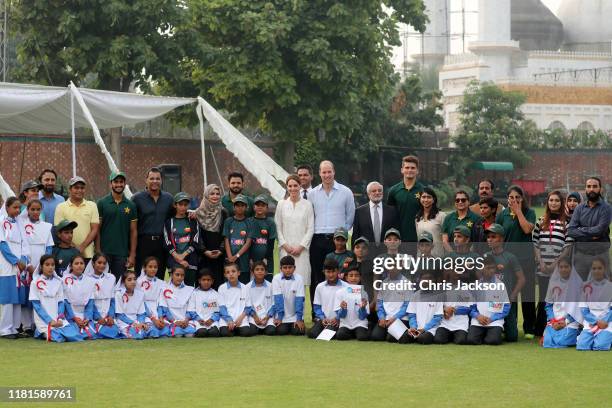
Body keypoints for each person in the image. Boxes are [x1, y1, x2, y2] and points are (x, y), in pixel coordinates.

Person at [308, 160, 355, 316]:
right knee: (317, 276)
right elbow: (310, 216)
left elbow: (350, 216)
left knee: (340, 276)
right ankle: (317, 314)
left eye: (329, 172)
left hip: (337, 240)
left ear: (334, 172)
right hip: (317, 238)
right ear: (319, 173)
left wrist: (341, 234)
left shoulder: (346, 192)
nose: (327, 175)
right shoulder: (312, 194)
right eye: (324, 172)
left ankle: (340, 312)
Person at [496, 185, 537, 339]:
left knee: (527, 295)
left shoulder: (530, 212)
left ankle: (529, 328)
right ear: (507, 198)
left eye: (517, 197)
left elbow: (527, 229)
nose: (514, 200)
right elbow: (498, 236)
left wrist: (518, 211)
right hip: (507, 261)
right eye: (511, 197)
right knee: (509, 295)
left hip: (525, 260)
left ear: (522, 198)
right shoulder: (503, 215)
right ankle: (509, 326)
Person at [532, 190, 572, 337]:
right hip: (542, 267)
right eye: (551, 200)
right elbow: (535, 243)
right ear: (547, 203)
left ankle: (557, 326)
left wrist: (556, 263)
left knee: (557, 298)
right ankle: (540, 328)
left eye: (557, 201)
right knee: (543, 297)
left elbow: (567, 246)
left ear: (561, 203)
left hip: (558, 268)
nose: (553, 203)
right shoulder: (540, 221)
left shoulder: (566, 223)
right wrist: (541, 262)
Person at [485, 224, 526, 342]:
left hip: (506, 300)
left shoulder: (510, 257)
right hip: (489, 300)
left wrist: (513, 296)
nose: (490, 239)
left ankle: (504, 328)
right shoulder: (485, 256)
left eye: (493, 237)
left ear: (501, 239)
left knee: (512, 337)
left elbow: (522, 279)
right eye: (488, 237)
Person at [132, 167, 174, 280]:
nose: (155, 181)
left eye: (157, 178)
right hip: (143, 243)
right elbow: (131, 225)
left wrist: (192, 213)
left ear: (161, 181)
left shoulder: (169, 199)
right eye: (152, 178)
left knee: (159, 276)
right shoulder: (137, 199)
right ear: (146, 180)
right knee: (141, 276)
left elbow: (177, 215)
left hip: (162, 243)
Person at [29, 255, 82, 342]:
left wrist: (60, 319)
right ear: (41, 267)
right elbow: (37, 306)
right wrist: (50, 321)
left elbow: (61, 302)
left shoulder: (58, 282)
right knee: (58, 338)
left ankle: (53, 331)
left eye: (52, 265)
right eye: (47, 265)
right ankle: (41, 331)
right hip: (44, 320)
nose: (50, 267)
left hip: (58, 319)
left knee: (75, 335)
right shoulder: (35, 283)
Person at [567, 177, 611, 281]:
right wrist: (591, 232)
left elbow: (600, 230)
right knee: (579, 289)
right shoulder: (579, 208)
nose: (591, 189)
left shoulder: (607, 208)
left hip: (600, 255)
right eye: (589, 186)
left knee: (602, 290)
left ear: (600, 189)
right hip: (581, 256)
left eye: (595, 186)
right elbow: (571, 231)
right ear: (585, 189)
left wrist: (581, 230)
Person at [96, 171, 138, 281]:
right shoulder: (102, 203)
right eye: (116, 182)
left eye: (121, 182)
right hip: (104, 252)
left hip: (122, 253)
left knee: (119, 284)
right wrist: (98, 250)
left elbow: (133, 231)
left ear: (125, 184)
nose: (119, 184)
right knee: (101, 283)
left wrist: (132, 254)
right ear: (110, 184)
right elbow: (97, 229)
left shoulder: (131, 205)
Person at [275, 174, 314, 288]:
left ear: (300, 186)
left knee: (300, 284)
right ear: (286, 187)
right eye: (290, 186)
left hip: (301, 251)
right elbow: (278, 226)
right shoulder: (281, 204)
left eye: (295, 185)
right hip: (285, 250)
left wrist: (301, 247)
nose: (292, 188)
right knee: (285, 284)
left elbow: (310, 228)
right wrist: (284, 245)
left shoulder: (307, 205)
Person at [22, 199, 54, 335]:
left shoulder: (47, 226)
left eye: (38, 209)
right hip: (27, 263)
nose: (35, 212)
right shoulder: (21, 225)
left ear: (41, 210)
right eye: (32, 209)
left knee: (39, 293)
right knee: (26, 294)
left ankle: (38, 323)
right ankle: (26, 325)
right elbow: (21, 246)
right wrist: (28, 265)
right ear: (27, 210)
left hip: (41, 263)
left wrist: (43, 266)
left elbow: (48, 247)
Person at [0, 197, 29, 339]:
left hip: (20, 265)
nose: (17, 211)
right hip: (7, 265)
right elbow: (2, 244)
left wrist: (23, 260)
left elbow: (25, 243)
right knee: (8, 297)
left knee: (18, 297)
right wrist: (15, 261)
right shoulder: (1, 221)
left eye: (19, 208)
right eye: (14, 208)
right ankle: (5, 329)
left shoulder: (19, 222)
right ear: (7, 207)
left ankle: (15, 328)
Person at [466, 254, 510, 346]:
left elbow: (506, 307)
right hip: (478, 320)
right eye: (488, 268)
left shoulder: (500, 285)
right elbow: (471, 306)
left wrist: (492, 318)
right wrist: (477, 316)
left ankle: (492, 334)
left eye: (493, 268)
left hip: (495, 322)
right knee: (471, 340)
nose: (491, 271)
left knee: (493, 341)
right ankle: (486, 334)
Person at [54, 176, 99, 262]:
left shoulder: (92, 205)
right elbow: (58, 230)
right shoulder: (61, 207)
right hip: (67, 254)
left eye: (82, 188)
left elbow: (95, 229)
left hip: (88, 254)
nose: (79, 190)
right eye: (76, 188)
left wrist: (82, 247)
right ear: (70, 189)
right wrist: (75, 248)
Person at [542, 257, 583, 348]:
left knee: (562, 341)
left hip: (571, 320)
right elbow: (548, 306)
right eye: (561, 267)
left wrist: (565, 321)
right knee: (548, 341)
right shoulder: (553, 283)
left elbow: (579, 308)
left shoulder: (578, 284)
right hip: (555, 321)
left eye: (566, 267)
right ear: (558, 268)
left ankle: (578, 333)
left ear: (571, 268)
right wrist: (553, 320)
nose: (563, 269)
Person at [194, 184, 228, 289]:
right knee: (203, 285)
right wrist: (204, 251)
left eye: (218, 194)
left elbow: (225, 234)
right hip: (203, 257)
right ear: (206, 195)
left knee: (218, 285)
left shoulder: (223, 212)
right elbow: (196, 235)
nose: (215, 196)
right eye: (212, 193)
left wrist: (221, 250)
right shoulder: (198, 213)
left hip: (219, 257)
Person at [163, 192, 201, 287]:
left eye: (185, 205)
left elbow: (196, 240)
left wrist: (184, 255)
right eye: (180, 204)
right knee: (174, 290)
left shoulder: (192, 220)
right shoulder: (169, 222)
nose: (183, 207)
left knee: (189, 290)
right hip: (174, 261)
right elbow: (167, 242)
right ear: (175, 205)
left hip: (190, 261)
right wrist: (178, 258)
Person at [576, 258, 612, 351]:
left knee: (600, 346)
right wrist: (596, 321)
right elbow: (584, 310)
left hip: (607, 322)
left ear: (604, 269)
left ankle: (605, 338)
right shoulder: (585, 286)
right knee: (582, 346)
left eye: (600, 268)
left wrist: (604, 321)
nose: (597, 271)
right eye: (594, 268)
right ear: (590, 270)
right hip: (591, 322)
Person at [387, 155, 424, 243]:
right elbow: (389, 215)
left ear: (417, 171)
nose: (410, 170)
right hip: (398, 238)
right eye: (407, 167)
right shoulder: (393, 190)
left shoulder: (423, 191)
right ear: (402, 170)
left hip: (418, 238)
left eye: (413, 168)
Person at [370, 263, 410, 343]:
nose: (392, 268)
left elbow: (407, 306)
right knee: (376, 337)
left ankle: (406, 333)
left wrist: (394, 318)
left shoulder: (406, 283)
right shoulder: (384, 283)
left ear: (400, 267)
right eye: (390, 266)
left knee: (391, 338)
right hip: (386, 318)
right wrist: (381, 317)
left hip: (400, 318)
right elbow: (379, 303)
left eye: (394, 266)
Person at [114, 270, 160, 340]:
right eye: (129, 280)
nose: (133, 282)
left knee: (154, 331)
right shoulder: (119, 294)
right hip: (124, 321)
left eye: (134, 279)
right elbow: (120, 315)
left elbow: (141, 313)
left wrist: (141, 323)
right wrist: (135, 324)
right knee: (137, 333)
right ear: (123, 282)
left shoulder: (140, 294)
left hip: (137, 320)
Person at [85, 253, 122, 339]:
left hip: (107, 314)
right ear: (93, 264)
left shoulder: (111, 278)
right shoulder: (86, 279)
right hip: (94, 314)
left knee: (114, 331)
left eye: (104, 263)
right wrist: (98, 317)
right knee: (103, 331)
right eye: (99, 262)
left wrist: (111, 316)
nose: (102, 265)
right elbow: (89, 302)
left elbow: (112, 300)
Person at [308, 258, 347, 339]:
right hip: (324, 320)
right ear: (324, 272)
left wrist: (337, 318)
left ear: (338, 271)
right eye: (328, 272)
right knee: (312, 334)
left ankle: (338, 330)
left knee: (327, 336)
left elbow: (347, 307)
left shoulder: (346, 286)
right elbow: (317, 306)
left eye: (333, 271)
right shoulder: (320, 286)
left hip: (338, 320)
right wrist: (322, 318)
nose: (331, 275)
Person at [352, 181, 399, 246]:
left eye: (379, 191)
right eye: (374, 191)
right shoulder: (359, 212)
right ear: (368, 194)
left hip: (387, 252)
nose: (377, 193)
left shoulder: (392, 211)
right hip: (366, 252)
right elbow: (355, 235)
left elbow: (397, 233)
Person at [434, 269, 473, 345]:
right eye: (453, 271)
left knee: (461, 341)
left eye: (458, 272)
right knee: (438, 340)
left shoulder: (466, 288)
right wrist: (444, 309)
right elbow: (436, 306)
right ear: (449, 272)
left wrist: (454, 310)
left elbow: (469, 308)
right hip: (445, 322)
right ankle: (450, 335)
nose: (456, 274)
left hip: (460, 323)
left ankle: (454, 336)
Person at [62, 254, 96, 340]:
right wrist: (74, 318)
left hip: (84, 314)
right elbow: (65, 301)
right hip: (71, 315)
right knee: (73, 333)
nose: (79, 266)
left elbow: (90, 302)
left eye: (81, 263)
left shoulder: (90, 281)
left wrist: (87, 318)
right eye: (76, 263)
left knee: (91, 333)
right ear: (71, 266)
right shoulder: (64, 280)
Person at [222, 194, 253, 284]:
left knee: (243, 288)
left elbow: (248, 242)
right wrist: (230, 257)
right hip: (230, 260)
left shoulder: (249, 222)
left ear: (246, 207)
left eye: (242, 205)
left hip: (243, 261)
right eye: (237, 205)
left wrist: (236, 256)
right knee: (229, 287)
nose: (240, 208)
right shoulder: (228, 221)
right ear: (234, 207)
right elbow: (226, 239)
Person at [158, 265, 196, 337]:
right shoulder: (164, 288)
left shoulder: (190, 290)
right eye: (177, 275)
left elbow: (190, 309)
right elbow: (164, 308)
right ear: (172, 275)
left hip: (185, 321)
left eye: (182, 275)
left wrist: (186, 320)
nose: (180, 277)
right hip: (171, 321)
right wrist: (175, 321)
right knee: (178, 335)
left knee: (190, 335)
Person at [406, 271, 443, 345]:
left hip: (430, 329)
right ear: (420, 280)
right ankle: (415, 336)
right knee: (403, 338)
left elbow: (437, 317)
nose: (426, 280)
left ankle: (417, 337)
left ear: (433, 280)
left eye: (429, 278)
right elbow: (411, 315)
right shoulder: (415, 295)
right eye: (424, 278)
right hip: (417, 329)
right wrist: (413, 327)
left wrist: (424, 329)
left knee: (423, 339)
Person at [334, 264, 369, 341]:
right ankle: (352, 333)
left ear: (360, 278)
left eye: (356, 276)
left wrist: (363, 308)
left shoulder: (364, 293)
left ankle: (357, 332)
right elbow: (341, 316)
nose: (354, 278)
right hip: (345, 324)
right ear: (346, 277)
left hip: (360, 323)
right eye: (351, 275)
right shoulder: (340, 292)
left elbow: (362, 317)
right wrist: (343, 309)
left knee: (362, 337)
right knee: (340, 336)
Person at [272, 256, 305, 336]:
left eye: (290, 267)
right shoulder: (276, 278)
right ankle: (287, 325)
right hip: (283, 316)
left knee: (298, 332)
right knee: (281, 331)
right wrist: (279, 318)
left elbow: (299, 300)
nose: (287, 270)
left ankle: (297, 324)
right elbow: (278, 299)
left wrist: (299, 319)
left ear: (294, 268)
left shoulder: (299, 278)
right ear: (281, 268)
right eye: (285, 268)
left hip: (295, 315)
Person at [218, 262, 254, 337]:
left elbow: (248, 307)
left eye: (233, 271)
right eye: (228, 272)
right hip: (226, 319)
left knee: (246, 333)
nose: (231, 274)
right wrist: (229, 320)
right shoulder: (222, 288)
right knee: (225, 333)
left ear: (238, 273)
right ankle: (233, 329)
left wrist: (241, 318)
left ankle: (236, 329)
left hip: (241, 318)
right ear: (225, 275)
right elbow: (222, 307)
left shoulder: (245, 288)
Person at [136, 256, 168, 337]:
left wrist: (160, 317)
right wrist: (153, 319)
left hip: (157, 311)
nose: (153, 269)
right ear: (144, 268)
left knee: (166, 330)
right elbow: (140, 302)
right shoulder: (138, 282)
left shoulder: (161, 283)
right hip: (143, 311)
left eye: (155, 267)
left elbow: (161, 302)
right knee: (153, 331)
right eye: (150, 267)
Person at [248, 195, 276, 280]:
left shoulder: (270, 223)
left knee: (267, 286)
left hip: (266, 260)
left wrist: (265, 258)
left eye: (263, 205)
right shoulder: (249, 221)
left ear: (267, 208)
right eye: (257, 205)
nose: (260, 207)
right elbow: (247, 243)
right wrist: (250, 259)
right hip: (251, 261)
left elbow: (271, 243)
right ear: (254, 207)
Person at [188, 269, 221, 338]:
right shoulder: (194, 294)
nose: (206, 282)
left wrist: (212, 319)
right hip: (199, 321)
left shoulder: (216, 294)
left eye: (208, 280)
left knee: (214, 333)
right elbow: (191, 310)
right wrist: (198, 319)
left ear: (212, 281)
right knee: (202, 333)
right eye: (204, 280)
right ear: (199, 281)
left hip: (212, 321)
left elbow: (218, 311)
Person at [415, 187, 446, 257]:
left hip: (438, 257)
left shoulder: (441, 216)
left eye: (429, 197)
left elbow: (446, 239)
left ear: (434, 199)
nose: (426, 200)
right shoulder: (418, 217)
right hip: (421, 257)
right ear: (420, 199)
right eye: (423, 197)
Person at [247, 261, 275, 335]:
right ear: (252, 272)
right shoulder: (247, 287)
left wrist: (267, 317)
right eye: (257, 269)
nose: (260, 271)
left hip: (267, 316)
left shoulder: (271, 286)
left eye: (262, 269)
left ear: (266, 272)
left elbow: (274, 304)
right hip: (253, 316)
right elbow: (247, 305)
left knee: (271, 331)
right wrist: (255, 317)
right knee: (251, 331)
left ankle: (264, 328)